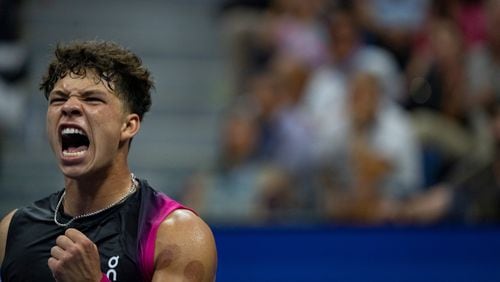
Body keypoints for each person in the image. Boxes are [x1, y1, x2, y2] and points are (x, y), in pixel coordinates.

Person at [0, 40, 217, 281]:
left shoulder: (178, 234)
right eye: (58, 99)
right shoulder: (12, 229)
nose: (69, 106)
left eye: (92, 99)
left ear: (128, 125)